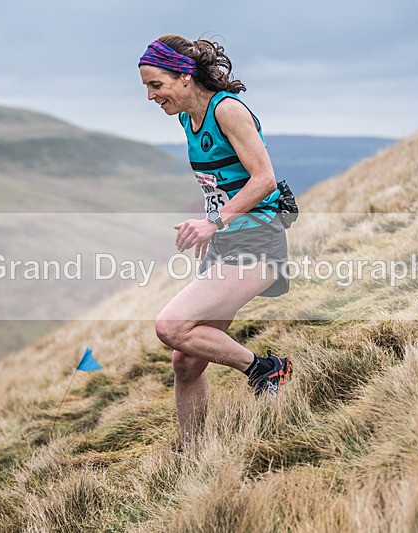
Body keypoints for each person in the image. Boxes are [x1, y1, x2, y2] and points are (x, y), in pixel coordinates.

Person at [138, 35, 293, 447]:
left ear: (185, 76)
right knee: (186, 362)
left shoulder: (227, 110)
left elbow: (264, 179)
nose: (152, 96)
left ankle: (266, 369)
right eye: (147, 88)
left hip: (259, 238)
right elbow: (221, 184)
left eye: (157, 85)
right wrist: (214, 223)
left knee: (170, 326)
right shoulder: (186, 118)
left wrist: (214, 222)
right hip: (229, 242)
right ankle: (192, 456)